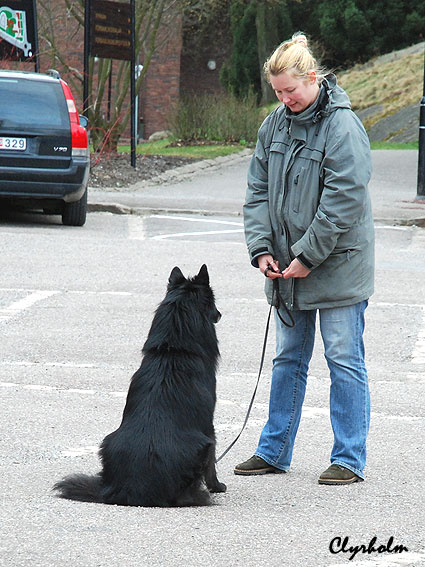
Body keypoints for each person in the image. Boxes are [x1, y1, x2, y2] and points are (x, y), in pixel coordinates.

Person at [235, 32, 374, 485]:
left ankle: (348, 458)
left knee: (343, 360)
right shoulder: (273, 124)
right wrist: (261, 250)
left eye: (290, 91)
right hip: (288, 269)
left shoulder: (343, 125)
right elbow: (256, 192)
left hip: (337, 268)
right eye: (277, 92)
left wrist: (307, 256)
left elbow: (344, 199)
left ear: (312, 78)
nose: (284, 99)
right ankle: (274, 451)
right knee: (287, 360)